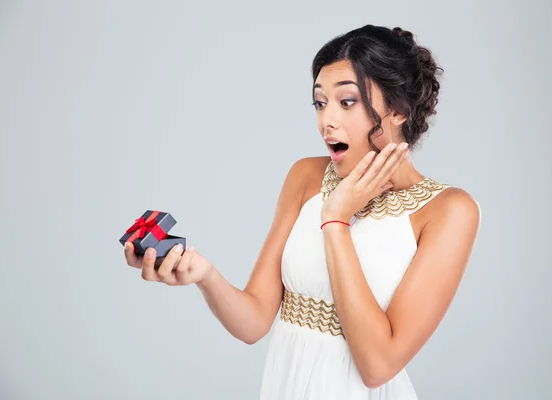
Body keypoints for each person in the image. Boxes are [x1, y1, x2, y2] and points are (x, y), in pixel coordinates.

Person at [124, 24, 481, 400]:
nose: (326, 121)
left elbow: (378, 366)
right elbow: (254, 323)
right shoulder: (306, 176)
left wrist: (336, 220)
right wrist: (204, 275)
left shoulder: (448, 211)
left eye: (346, 102)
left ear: (397, 109)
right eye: (319, 102)